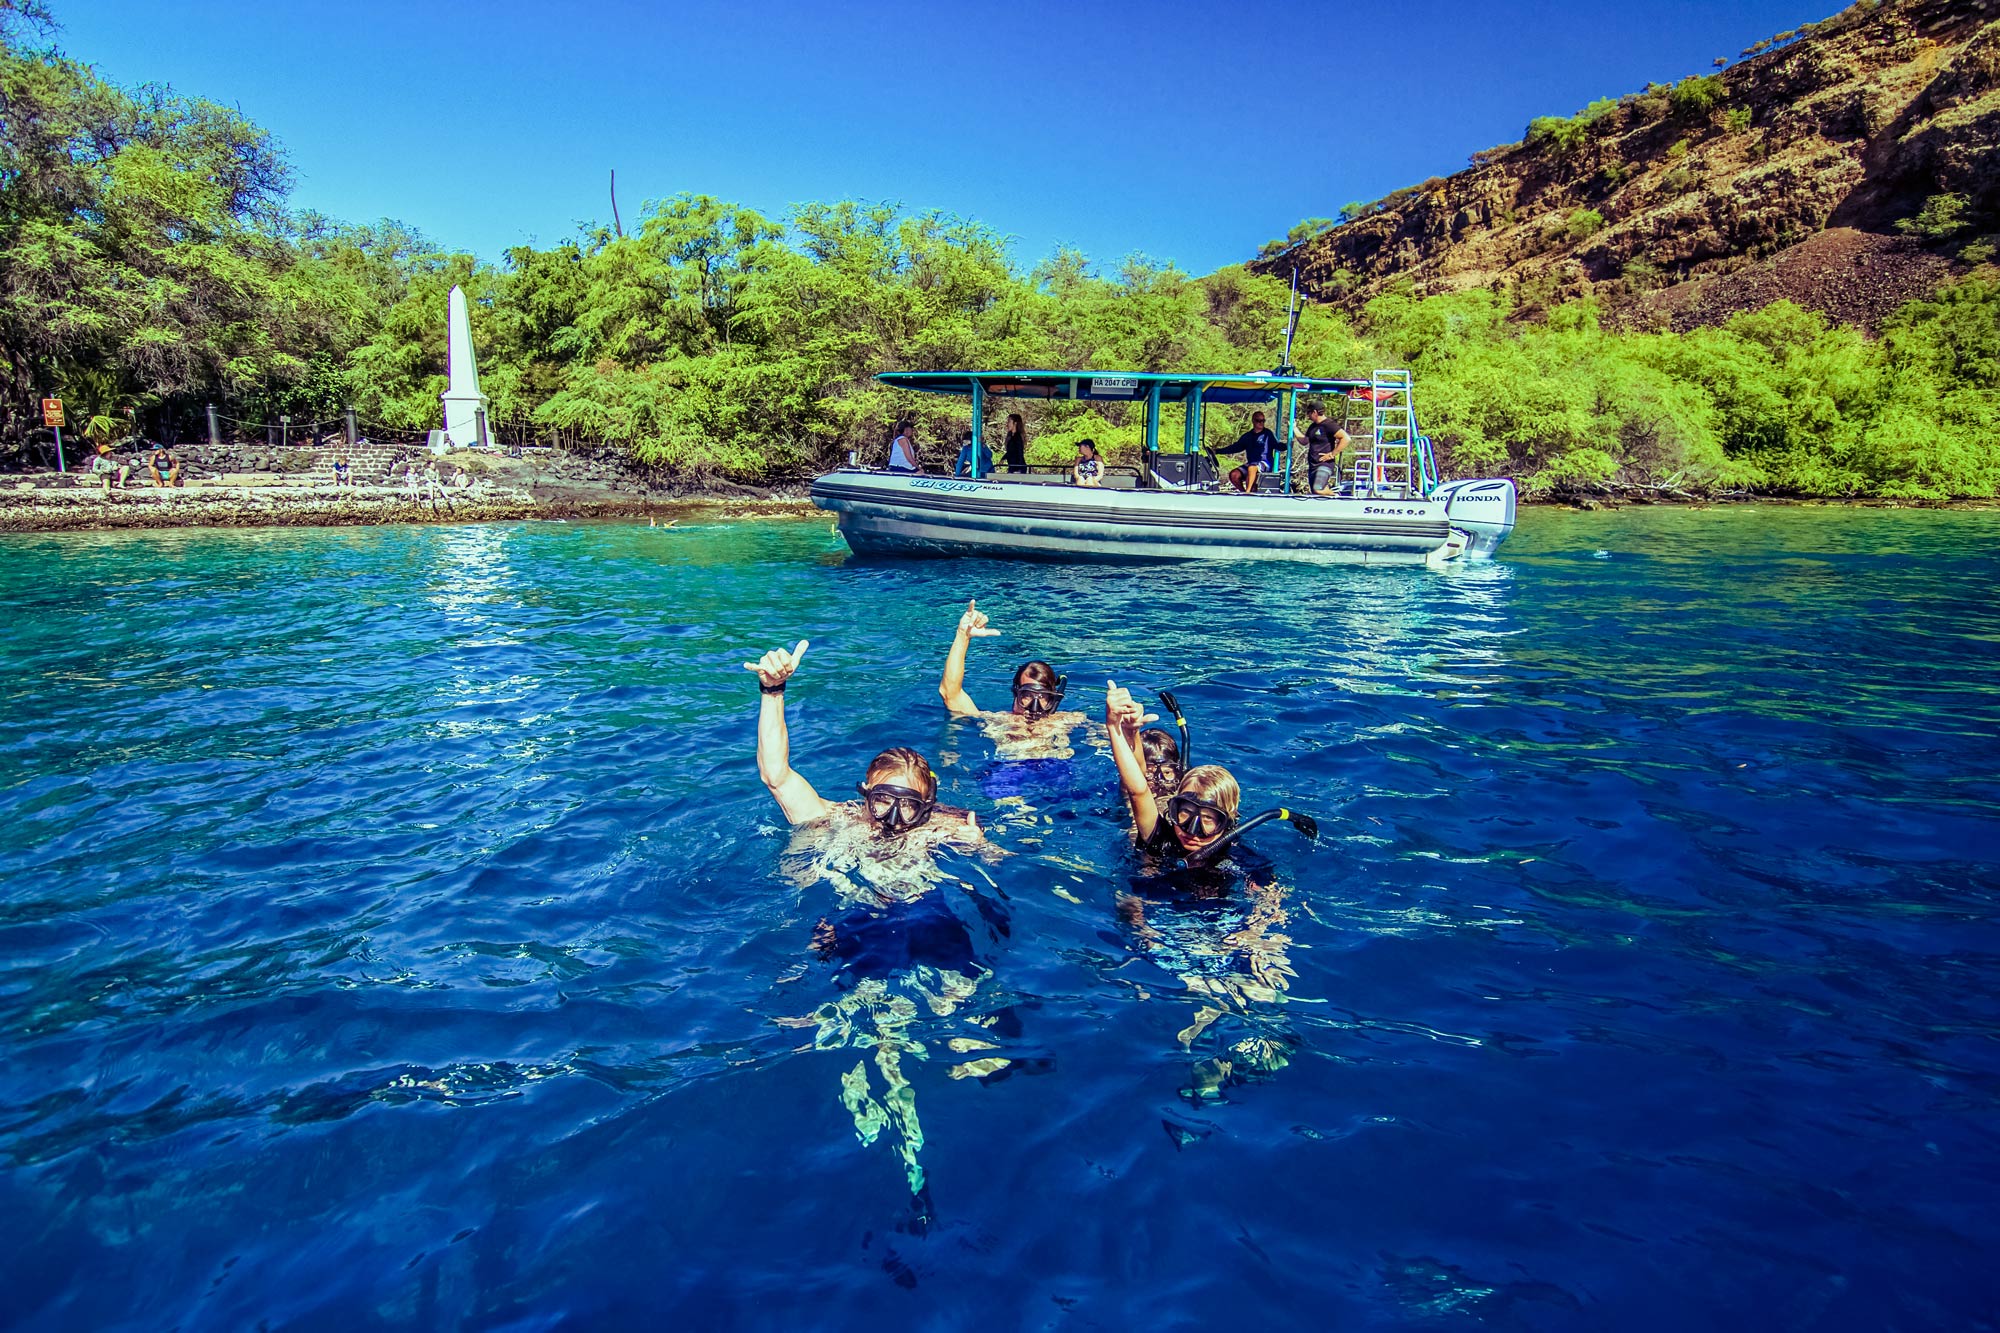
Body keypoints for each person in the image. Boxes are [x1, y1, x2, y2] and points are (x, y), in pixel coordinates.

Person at [747, 637, 1006, 1213]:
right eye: (882, 801)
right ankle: (906, 1148)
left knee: (905, 1016)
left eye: (909, 805)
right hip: (858, 934)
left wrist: (980, 841)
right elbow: (776, 774)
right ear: (863, 795)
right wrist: (773, 691)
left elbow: (998, 869)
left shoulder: (946, 828)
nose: (892, 818)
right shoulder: (833, 819)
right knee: (877, 1026)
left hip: (925, 930)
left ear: (929, 805)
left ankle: (910, 1128)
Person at [937, 599, 1087, 761]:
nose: (1033, 707)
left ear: (1052, 698)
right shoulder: (998, 721)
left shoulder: (1070, 720)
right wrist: (962, 636)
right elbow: (950, 694)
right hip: (1007, 774)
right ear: (1016, 694)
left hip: (1056, 772)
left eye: (1042, 697)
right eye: (1027, 695)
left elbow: (1107, 734)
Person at [1213, 411, 1278, 494]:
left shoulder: (1268, 434)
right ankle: (1243, 492)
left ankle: (1248, 492)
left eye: (1263, 421)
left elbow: (1277, 445)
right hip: (1251, 463)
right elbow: (1235, 447)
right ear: (1253, 421)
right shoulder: (1248, 436)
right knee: (1234, 474)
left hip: (1265, 463)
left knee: (1252, 467)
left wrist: (1287, 445)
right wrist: (1218, 451)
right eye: (1258, 421)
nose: (1261, 423)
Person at [1302, 402, 1350, 496]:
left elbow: (1346, 438)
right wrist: (1294, 428)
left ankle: (1336, 496)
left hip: (1324, 464)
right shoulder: (1313, 426)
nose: (1308, 416)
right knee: (1316, 493)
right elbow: (1304, 441)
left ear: (1315, 412)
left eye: (1309, 412)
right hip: (1313, 465)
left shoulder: (1329, 425)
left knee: (1318, 489)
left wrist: (1332, 454)